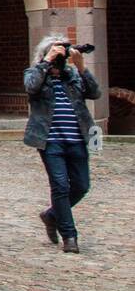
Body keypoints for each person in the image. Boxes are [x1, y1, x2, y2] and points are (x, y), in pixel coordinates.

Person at [23, 35, 101, 253]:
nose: (60, 62)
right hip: (50, 141)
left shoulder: (73, 76)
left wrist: (82, 67)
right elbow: (30, 87)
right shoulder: (35, 74)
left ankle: (51, 216)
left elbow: (95, 93)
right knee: (60, 185)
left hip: (77, 139)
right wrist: (46, 61)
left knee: (81, 186)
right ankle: (70, 236)